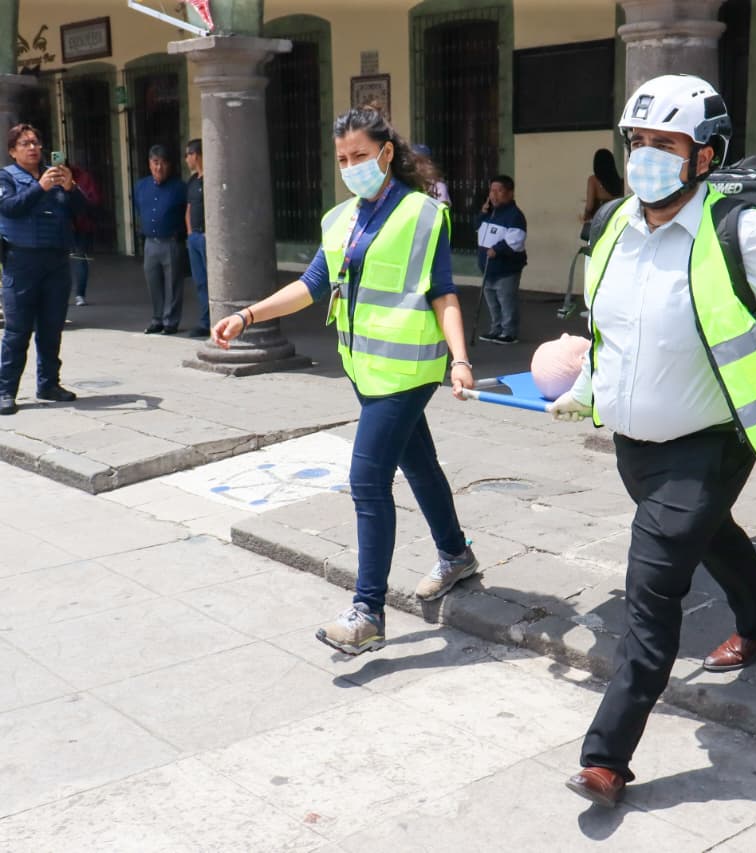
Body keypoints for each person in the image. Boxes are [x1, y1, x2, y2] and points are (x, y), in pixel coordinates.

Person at [547, 74, 756, 808]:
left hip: (711, 441)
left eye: (665, 144)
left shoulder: (742, 231)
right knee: (711, 537)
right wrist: (584, 392)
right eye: (637, 142)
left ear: (705, 156)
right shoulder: (613, 227)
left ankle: (607, 755)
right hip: (637, 445)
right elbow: (613, 333)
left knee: (651, 589)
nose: (646, 158)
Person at [211, 105, 480, 655]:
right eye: (342, 159)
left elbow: (442, 290)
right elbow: (313, 283)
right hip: (363, 369)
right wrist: (247, 315)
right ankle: (456, 556)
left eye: (360, 155)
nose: (351, 165)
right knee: (420, 464)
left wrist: (460, 359)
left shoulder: (422, 214)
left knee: (366, 482)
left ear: (386, 153)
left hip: (406, 371)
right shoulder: (340, 220)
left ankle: (367, 612)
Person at [0, 124, 84, 416]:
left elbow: (84, 210)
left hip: (56, 262)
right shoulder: (6, 178)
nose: (33, 148)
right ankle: (5, 391)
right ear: (13, 151)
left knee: (51, 328)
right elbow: (11, 207)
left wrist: (70, 187)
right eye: (25, 143)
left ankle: (48, 384)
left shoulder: (55, 174)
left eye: (36, 142)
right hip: (21, 262)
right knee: (17, 331)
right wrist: (40, 188)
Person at [133, 144, 187, 334]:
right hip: (150, 242)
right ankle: (157, 319)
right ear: (149, 164)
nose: (159, 167)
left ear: (169, 165)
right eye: (155, 163)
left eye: (163, 163)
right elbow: (139, 208)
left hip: (172, 241)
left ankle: (171, 321)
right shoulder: (141, 186)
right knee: (153, 282)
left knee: (173, 284)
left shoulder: (180, 188)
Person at [475, 174, 527, 344]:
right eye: (492, 191)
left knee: (506, 300)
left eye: (499, 191)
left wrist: (497, 250)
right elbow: (475, 228)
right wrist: (482, 214)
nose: (494, 195)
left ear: (510, 193)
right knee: (492, 301)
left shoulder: (514, 216)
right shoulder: (490, 214)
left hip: (506, 268)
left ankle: (509, 332)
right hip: (488, 267)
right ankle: (496, 328)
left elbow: (516, 240)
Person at [184, 139, 210, 338]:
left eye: (188, 155)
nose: (186, 159)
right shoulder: (192, 181)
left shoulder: (210, 179)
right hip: (195, 238)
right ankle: (205, 320)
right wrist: (190, 233)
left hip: (208, 238)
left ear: (196, 155)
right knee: (200, 281)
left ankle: (217, 319)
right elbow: (189, 208)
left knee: (213, 281)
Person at [68, 163, 100, 307]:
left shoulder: (83, 178)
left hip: (81, 225)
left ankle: (80, 294)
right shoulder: (49, 178)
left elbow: (93, 200)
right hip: (63, 225)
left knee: (80, 258)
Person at [581, 148, 624, 237]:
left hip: (599, 222)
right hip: (617, 222)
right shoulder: (620, 182)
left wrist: (585, 216)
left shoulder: (593, 180)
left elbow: (590, 206)